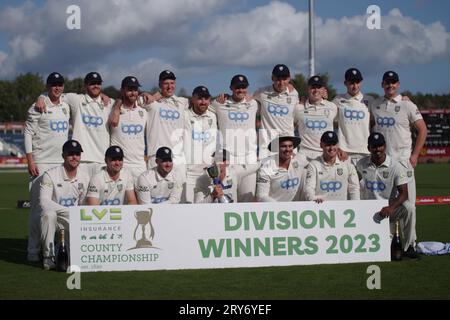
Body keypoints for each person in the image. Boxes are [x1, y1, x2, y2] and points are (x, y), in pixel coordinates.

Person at [370, 71, 427, 256]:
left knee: (408, 205)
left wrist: (415, 155)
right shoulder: (375, 104)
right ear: (382, 84)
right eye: (387, 82)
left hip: (403, 162)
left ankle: (410, 245)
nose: (390, 86)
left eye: (393, 83)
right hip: (384, 162)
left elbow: (422, 129)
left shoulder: (408, 105)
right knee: (387, 203)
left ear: (398, 84)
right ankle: (390, 243)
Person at [24, 72, 70, 262]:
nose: (57, 88)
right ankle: (33, 250)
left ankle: (55, 247)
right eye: (53, 85)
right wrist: (30, 160)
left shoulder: (66, 106)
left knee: (57, 209)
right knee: (39, 210)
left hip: (61, 164)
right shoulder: (38, 106)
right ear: (47, 86)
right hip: (42, 162)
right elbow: (27, 133)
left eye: (60, 85)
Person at [36, 72, 113, 176]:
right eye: (92, 83)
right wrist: (41, 97)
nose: (96, 86)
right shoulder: (76, 99)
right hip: (80, 160)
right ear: (85, 85)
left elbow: (125, 101)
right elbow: (55, 93)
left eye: (98, 83)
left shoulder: (109, 103)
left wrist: (143, 93)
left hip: (102, 160)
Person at [356, 132, 418, 259]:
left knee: (410, 208)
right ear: (369, 148)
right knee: (380, 250)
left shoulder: (395, 166)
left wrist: (391, 208)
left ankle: (409, 246)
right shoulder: (361, 164)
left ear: (385, 146)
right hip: (367, 209)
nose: (377, 149)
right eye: (374, 146)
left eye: (380, 146)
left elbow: (404, 193)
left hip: (388, 209)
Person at [39, 140, 90, 270]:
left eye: (77, 154)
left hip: (72, 221)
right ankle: (47, 257)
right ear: (63, 156)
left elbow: (83, 204)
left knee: (71, 259)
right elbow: (44, 202)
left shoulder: (84, 177)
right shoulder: (50, 175)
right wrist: (70, 212)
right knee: (48, 215)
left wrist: (77, 217)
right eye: (70, 154)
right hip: (57, 218)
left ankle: (62, 249)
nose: (74, 157)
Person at [211, 74, 259, 202]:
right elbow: (201, 107)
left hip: (248, 159)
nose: (240, 90)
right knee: (228, 200)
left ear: (247, 88)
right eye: (237, 87)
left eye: (243, 87)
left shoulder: (253, 103)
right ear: (231, 88)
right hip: (228, 161)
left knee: (247, 199)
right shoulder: (219, 103)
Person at [254, 64, 300, 159]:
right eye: (278, 79)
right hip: (267, 144)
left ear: (289, 79)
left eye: (284, 79)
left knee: (290, 173)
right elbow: (245, 100)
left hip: (288, 143)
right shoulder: (262, 93)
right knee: (266, 173)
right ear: (272, 78)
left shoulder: (294, 94)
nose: (281, 82)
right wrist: (227, 97)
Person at [109, 76, 148, 181]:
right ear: (122, 90)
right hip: (120, 165)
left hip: (140, 165)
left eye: (135, 90)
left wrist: (147, 94)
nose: (133, 93)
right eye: (130, 90)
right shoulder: (113, 109)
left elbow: (154, 98)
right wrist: (117, 106)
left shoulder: (144, 112)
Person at [183, 86, 217, 203]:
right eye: (199, 99)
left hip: (208, 173)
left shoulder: (212, 116)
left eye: (206, 98)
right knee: (188, 207)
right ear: (193, 99)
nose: (203, 102)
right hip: (190, 172)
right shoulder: (185, 115)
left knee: (207, 209)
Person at [333, 68, 373, 166]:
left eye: (357, 82)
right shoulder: (338, 100)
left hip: (365, 151)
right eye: (351, 83)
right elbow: (329, 120)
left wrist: (403, 99)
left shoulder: (369, 100)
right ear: (345, 83)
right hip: (344, 152)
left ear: (361, 82)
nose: (355, 86)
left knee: (364, 182)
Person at [305, 131, 360, 202]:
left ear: (337, 145)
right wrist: (313, 200)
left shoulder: (347, 163)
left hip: (343, 208)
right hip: (321, 208)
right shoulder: (314, 164)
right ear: (321, 145)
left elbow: (354, 188)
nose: (331, 148)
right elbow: (309, 188)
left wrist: (356, 204)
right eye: (328, 145)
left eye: (334, 144)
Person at [295, 75, 338, 161]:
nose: (316, 90)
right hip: (304, 154)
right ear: (308, 89)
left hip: (326, 153)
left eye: (319, 87)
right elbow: (289, 127)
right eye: (313, 87)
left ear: (323, 90)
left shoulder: (332, 106)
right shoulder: (299, 108)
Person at [194, 149, 259, 203]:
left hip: (230, 213)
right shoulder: (203, 179)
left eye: (220, 160)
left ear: (227, 162)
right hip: (212, 214)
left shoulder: (234, 172)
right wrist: (212, 196)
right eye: (215, 160)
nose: (216, 163)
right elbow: (197, 207)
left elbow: (253, 167)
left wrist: (265, 160)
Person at [256, 136, 309, 202]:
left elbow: (315, 167)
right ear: (277, 148)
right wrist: (280, 208)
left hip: (295, 206)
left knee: (308, 172)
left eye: (290, 146)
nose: (287, 149)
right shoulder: (267, 166)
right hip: (273, 208)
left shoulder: (299, 159)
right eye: (283, 146)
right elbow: (261, 196)